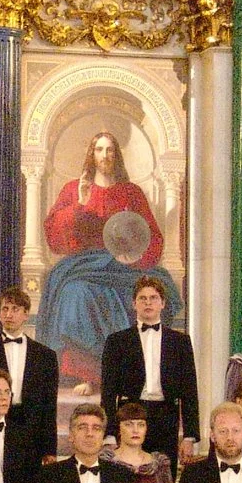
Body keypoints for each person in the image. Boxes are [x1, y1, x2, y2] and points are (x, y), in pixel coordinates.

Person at [38, 131, 181, 389]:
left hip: (125, 266)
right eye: (100, 149)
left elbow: (152, 236)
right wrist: (80, 205)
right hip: (84, 265)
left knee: (145, 291)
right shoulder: (73, 189)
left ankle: (125, 372)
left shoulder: (131, 193)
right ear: (92, 154)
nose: (105, 155)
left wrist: (135, 256)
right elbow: (55, 239)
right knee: (74, 293)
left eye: (110, 150)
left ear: (117, 155)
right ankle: (89, 375)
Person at [100, 274, 200, 471]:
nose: (148, 303)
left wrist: (190, 435)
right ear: (134, 304)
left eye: (153, 298)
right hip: (130, 415)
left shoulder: (180, 342)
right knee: (126, 476)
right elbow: (108, 391)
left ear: (162, 303)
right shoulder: (117, 341)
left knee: (164, 477)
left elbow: (190, 391)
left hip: (166, 418)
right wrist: (109, 433)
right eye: (142, 298)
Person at [0, 285, 59, 465]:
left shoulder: (46, 356)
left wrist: (49, 448)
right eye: (5, 309)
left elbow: (49, 404)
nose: (9, 314)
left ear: (26, 314)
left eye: (15, 309)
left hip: (31, 429)